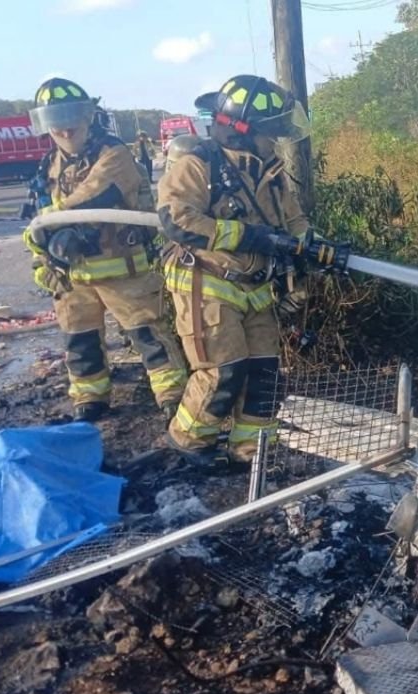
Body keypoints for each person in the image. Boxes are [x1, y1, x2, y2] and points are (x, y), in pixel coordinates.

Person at [157, 74, 341, 466]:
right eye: (270, 133)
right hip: (206, 281)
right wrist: (246, 236)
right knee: (223, 371)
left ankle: (251, 451)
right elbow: (177, 219)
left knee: (265, 371)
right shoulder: (197, 164)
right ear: (242, 131)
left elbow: (293, 219)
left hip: (255, 286)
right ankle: (189, 443)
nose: (275, 141)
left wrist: (313, 243)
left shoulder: (269, 170)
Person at [24, 77, 186, 422]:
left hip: (123, 269)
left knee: (149, 337)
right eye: (56, 122)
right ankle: (90, 399)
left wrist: (54, 219)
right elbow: (37, 218)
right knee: (79, 343)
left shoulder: (114, 154)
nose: (65, 130)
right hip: (72, 276)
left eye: (72, 119)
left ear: (88, 117)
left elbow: (94, 196)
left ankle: (173, 398)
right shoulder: (48, 165)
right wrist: (42, 259)